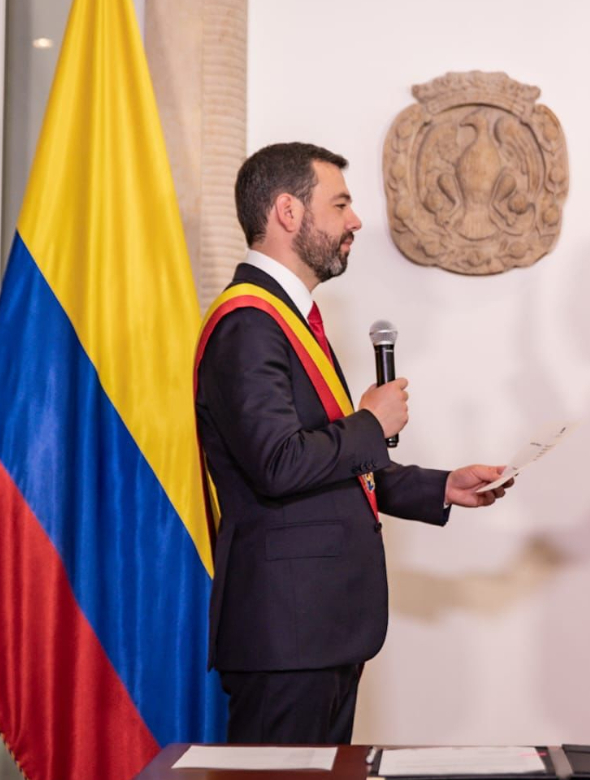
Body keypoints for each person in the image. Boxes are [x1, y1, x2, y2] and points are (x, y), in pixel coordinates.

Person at [195, 142, 513, 745]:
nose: (356, 221)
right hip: (286, 634)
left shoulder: (289, 320)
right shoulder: (248, 323)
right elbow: (279, 463)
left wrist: (439, 486)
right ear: (288, 212)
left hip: (318, 629)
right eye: (339, 203)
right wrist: (369, 422)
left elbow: (329, 464)